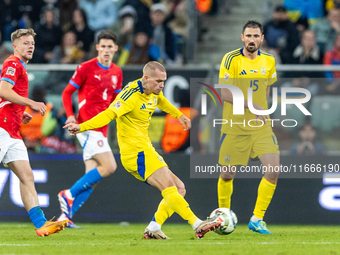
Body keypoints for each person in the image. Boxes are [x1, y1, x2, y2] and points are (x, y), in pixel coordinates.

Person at [64, 61, 220, 239]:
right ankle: (197, 224)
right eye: (158, 81)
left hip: (146, 149)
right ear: (145, 78)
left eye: (164, 81)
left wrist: (179, 115)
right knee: (169, 188)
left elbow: (160, 100)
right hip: (135, 153)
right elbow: (109, 114)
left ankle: (153, 228)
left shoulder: (153, 91)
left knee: (179, 188)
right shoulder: (130, 95)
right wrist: (81, 127)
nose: (162, 85)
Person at [0, 28, 68, 236]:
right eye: (26, 43)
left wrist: (20, 113)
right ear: (15, 46)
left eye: (32, 43)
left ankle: (40, 224)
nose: (31, 46)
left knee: (27, 176)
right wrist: (30, 103)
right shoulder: (12, 63)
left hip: (12, 131)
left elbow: (5, 98)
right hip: (2, 129)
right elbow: (3, 89)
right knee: (26, 177)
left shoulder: (20, 66)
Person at [217, 20, 280, 234]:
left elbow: (267, 88)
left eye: (256, 36)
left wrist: (263, 110)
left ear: (262, 39)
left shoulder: (270, 60)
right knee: (227, 175)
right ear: (242, 37)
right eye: (248, 36)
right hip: (235, 125)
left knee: (273, 170)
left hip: (260, 126)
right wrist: (251, 104)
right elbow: (224, 93)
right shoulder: (231, 59)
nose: (252, 40)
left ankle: (257, 219)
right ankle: (223, 217)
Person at [57, 30, 123, 228]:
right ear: (97, 47)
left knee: (92, 176)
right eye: (102, 46)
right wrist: (70, 115)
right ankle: (68, 194)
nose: (106, 50)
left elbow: (116, 102)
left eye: (109, 47)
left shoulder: (117, 72)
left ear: (115, 49)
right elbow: (67, 93)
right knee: (110, 166)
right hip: (86, 126)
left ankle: (64, 218)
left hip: (102, 129)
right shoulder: (85, 67)